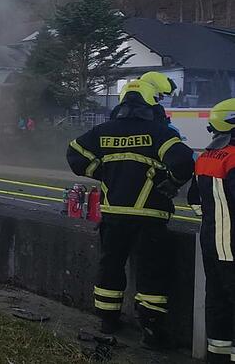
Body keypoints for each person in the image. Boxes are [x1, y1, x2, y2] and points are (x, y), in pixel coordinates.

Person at [67, 79, 195, 348]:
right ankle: (151, 330)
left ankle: (108, 320)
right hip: (150, 216)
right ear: (151, 103)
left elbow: (75, 154)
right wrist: (171, 183)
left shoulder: (103, 132)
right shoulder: (159, 134)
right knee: (151, 271)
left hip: (113, 214)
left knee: (111, 265)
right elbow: (184, 161)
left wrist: (102, 173)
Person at [188, 99, 235, 362]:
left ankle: (217, 356)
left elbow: (195, 200)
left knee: (218, 301)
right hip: (232, 244)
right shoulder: (234, 158)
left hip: (212, 243)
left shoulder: (206, 157)